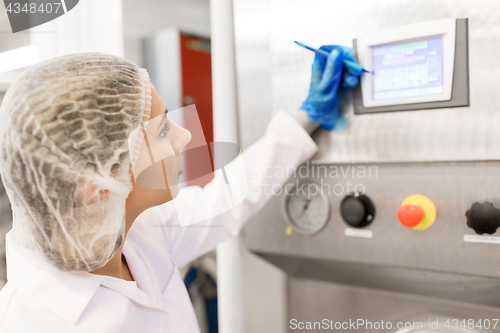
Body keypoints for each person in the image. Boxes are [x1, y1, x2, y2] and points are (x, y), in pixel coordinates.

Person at [0, 46, 362, 332]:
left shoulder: (131, 234)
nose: (184, 136)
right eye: (161, 131)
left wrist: (308, 116)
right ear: (99, 186)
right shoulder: (33, 323)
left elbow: (229, 196)